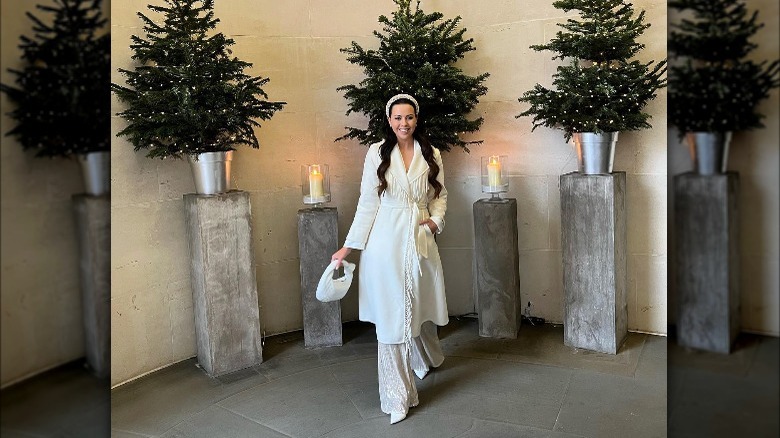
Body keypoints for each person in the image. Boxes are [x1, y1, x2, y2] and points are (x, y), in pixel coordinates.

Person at [331, 93, 449, 425]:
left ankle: (424, 358)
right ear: (389, 120)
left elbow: (440, 195)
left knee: (417, 304)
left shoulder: (431, 153)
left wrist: (435, 221)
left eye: (409, 117)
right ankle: (396, 395)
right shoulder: (377, 153)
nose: (403, 123)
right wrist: (349, 246)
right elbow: (368, 202)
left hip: (419, 238)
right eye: (397, 118)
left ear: (416, 118)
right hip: (385, 241)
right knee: (392, 315)